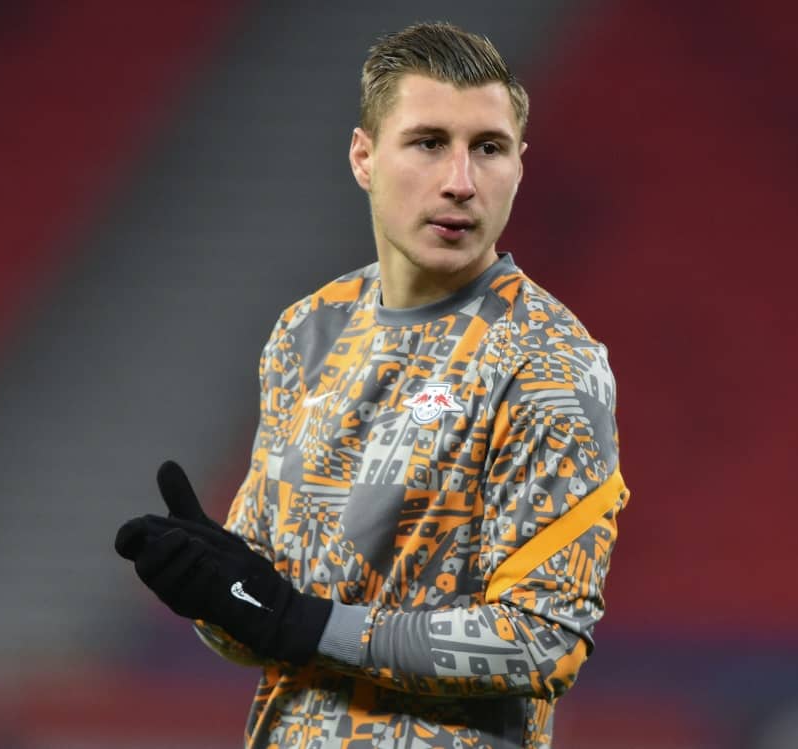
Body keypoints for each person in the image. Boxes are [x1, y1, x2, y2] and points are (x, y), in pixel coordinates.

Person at [116, 21, 629, 748]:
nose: (460, 181)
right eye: (428, 142)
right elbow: (269, 626)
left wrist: (304, 621)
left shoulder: (547, 363)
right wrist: (215, 594)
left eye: (489, 147)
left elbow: (546, 640)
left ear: (520, 164)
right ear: (364, 156)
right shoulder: (307, 332)